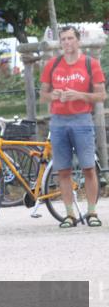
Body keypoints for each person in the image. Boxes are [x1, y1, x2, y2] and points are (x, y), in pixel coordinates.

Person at [40, 26, 106, 227]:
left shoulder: (90, 64)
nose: (67, 42)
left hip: (82, 120)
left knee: (88, 168)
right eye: (63, 39)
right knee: (63, 171)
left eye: (70, 38)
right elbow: (43, 95)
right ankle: (70, 215)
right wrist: (53, 95)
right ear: (60, 42)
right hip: (58, 121)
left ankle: (92, 213)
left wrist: (79, 95)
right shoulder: (52, 64)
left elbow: (101, 95)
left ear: (78, 41)